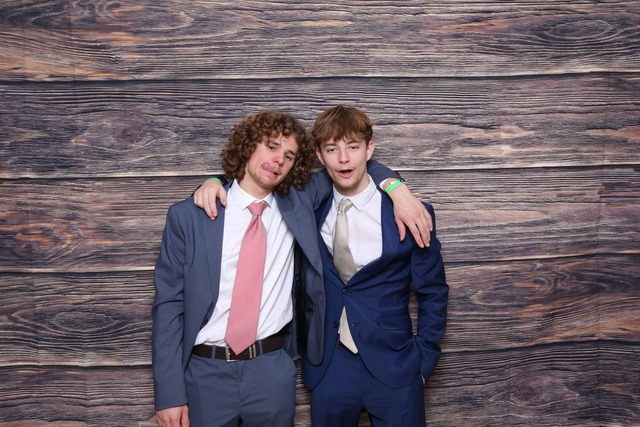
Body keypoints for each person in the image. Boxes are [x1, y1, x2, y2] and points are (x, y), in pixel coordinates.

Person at [153, 110, 432, 427]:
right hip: (204, 371)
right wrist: (169, 394)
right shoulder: (189, 216)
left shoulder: (298, 202)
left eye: (289, 155)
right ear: (248, 145)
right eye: (272, 146)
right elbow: (168, 307)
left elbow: (350, 167)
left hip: (271, 369)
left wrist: (396, 187)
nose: (278, 160)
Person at [301, 106, 448, 426]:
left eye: (353, 147)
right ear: (319, 155)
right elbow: (257, 184)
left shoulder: (412, 213)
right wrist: (215, 181)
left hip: (396, 366)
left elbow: (433, 291)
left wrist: (423, 361)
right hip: (330, 368)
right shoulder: (307, 207)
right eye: (332, 149)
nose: (344, 159)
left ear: (369, 149)